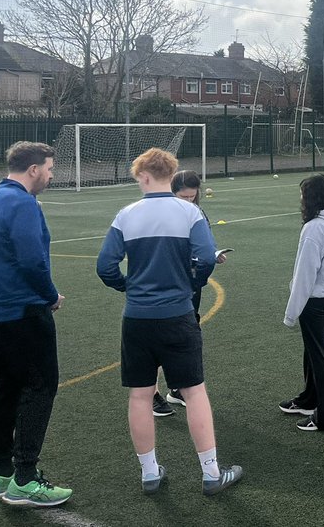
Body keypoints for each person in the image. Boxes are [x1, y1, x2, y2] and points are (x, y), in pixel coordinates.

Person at [97, 148, 243, 497]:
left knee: (140, 395)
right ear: (171, 174)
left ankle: (150, 473)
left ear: (143, 176)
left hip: (137, 319)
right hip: (178, 315)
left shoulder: (126, 215)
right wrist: (192, 282)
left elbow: (105, 267)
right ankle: (210, 473)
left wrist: (128, 286)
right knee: (194, 392)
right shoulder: (189, 212)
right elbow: (206, 258)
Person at [0, 142, 72, 507]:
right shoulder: (22, 203)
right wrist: (50, 296)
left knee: (5, 388)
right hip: (22, 314)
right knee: (40, 387)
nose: (51, 174)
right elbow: (32, 262)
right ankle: (26, 478)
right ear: (33, 169)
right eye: (49, 168)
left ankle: (3, 472)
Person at [280, 174, 324, 432]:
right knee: (313, 350)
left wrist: (291, 313)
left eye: (302, 194)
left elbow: (305, 274)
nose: (300, 199)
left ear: (310, 198)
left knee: (319, 356)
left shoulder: (314, 228)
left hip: (317, 300)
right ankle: (308, 400)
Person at [154, 170, 227, 416]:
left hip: (190, 284)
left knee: (184, 336)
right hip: (166, 284)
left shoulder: (198, 214)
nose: (187, 202)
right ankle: (151, 393)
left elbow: (206, 244)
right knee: (159, 336)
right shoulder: (160, 215)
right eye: (183, 197)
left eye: (191, 197)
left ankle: (176, 388)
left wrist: (213, 254)